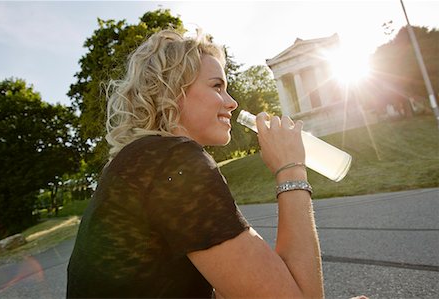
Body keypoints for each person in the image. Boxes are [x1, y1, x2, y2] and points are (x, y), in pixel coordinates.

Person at [67, 29, 324, 298]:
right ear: (171, 89)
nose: (232, 102)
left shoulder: (134, 163)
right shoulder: (173, 159)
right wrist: (291, 167)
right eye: (217, 86)